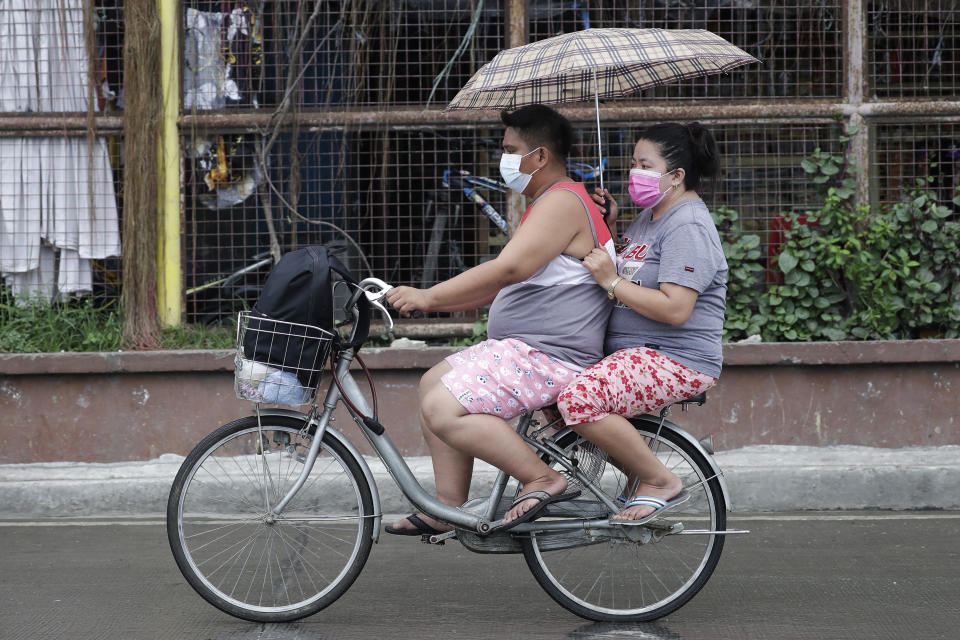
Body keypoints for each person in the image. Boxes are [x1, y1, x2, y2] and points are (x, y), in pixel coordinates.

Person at [384, 104, 617, 535]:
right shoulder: (556, 200)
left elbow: (507, 270)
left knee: (443, 407)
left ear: (541, 157)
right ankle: (448, 506)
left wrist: (429, 297)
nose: (503, 160)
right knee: (433, 383)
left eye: (511, 150)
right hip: (528, 349)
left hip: (549, 354)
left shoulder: (563, 201)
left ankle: (542, 478)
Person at [556, 122, 728, 523]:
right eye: (633, 163)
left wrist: (610, 281)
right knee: (551, 387)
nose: (634, 172)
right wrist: (611, 225)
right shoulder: (651, 218)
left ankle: (658, 479)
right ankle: (640, 477)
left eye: (644, 164)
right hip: (634, 353)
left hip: (674, 357)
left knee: (579, 399)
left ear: (676, 176)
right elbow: (635, 272)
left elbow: (675, 308)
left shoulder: (687, 224)